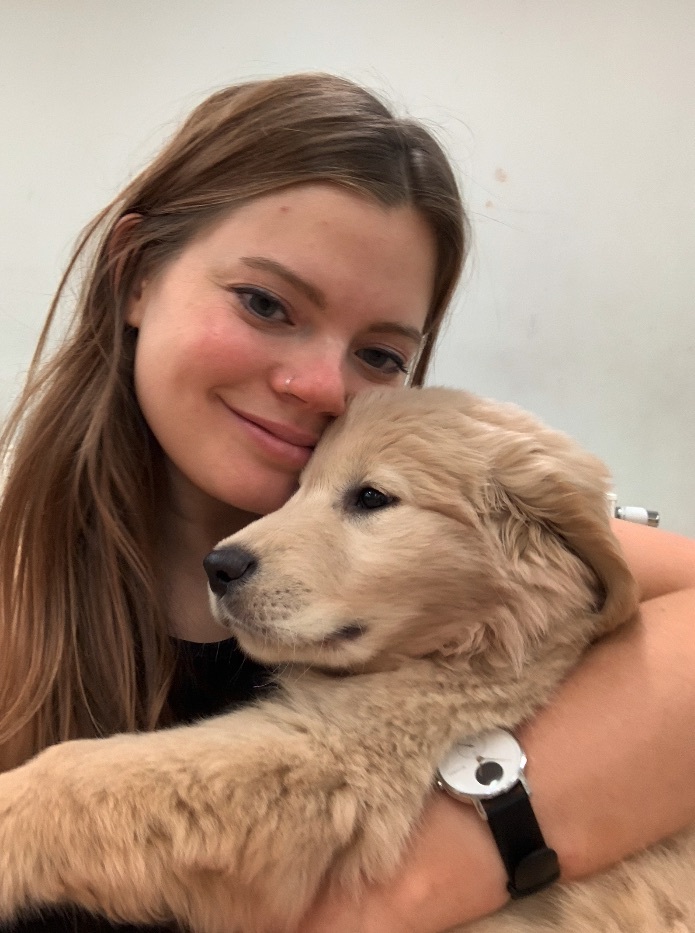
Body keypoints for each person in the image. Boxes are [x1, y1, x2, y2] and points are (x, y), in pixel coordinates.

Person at [0, 73, 693, 933]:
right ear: (135, 273)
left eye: (380, 354)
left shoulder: (508, 546)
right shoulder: (22, 594)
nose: (322, 387)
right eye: (265, 304)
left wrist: (477, 841)